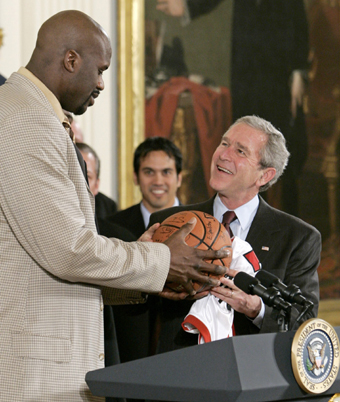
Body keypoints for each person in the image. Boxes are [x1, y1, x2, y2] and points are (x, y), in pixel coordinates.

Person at [0, 10, 229, 402]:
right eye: (100, 70)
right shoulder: (23, 119)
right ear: (71, 60)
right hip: (37, 376)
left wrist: (145, 273)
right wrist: (159, 260)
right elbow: (67, 251)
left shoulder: (35, 114)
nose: (102, 84)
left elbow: (55, 263)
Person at [149, 115, 321, 353]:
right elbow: (142, 308)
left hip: (254, 372)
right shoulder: (168, 223)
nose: (223, 154)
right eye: (224, 143)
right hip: (178, 369)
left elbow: (305, 320)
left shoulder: (298, 238)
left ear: (264, 176)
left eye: (240, 151)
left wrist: (256, 309)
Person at [156, 0, 309, 216]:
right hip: (246, 75)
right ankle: (250, 222)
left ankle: (289, 227)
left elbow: (298, 20)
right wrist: (189, 6)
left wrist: (298, 72)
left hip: (281, 77)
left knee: (286, 152)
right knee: (247, 154)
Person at [107, 137, 183, 390]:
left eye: (166, 172)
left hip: (184, 350)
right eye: (149, 172)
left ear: (179, 178)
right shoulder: (111, 227)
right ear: (136, 177)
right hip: (129, 354)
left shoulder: (204, 224)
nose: (158, 181)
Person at [76, 142, 119, 222]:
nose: (79, 182)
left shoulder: (111, 229)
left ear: (96, 185)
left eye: (87, 176)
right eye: (74, 173)